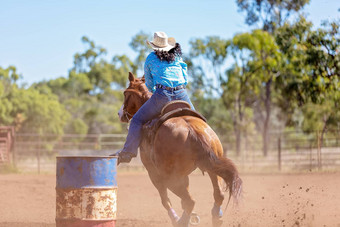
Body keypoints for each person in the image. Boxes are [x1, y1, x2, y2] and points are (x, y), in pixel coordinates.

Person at [116, 31, 195, 164]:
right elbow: (185, 76)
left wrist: (155, 91)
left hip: (162, 95)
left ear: (154, 46)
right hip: (182, 94)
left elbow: (149, 82)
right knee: (198, 120)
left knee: (136, 120)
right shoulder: (177, 57)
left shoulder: (151, 58)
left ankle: (128, 153)